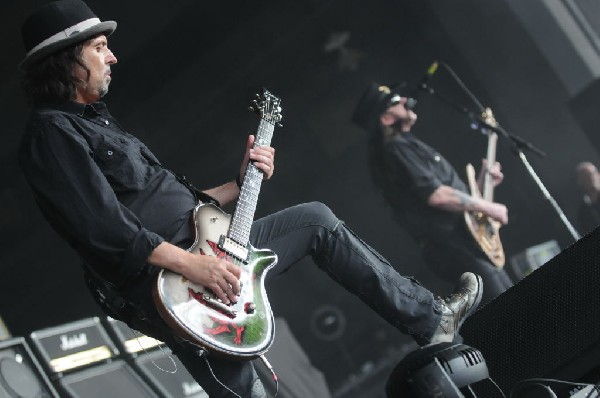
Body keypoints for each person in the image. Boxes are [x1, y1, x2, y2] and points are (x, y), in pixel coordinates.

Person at [18, 2, 483, 397]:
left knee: (315, 220)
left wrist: (238, 184)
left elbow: (176, 201)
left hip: (209, 249)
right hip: (171, 283)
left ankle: (431, 319)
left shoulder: (98, 121)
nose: (113, 57)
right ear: (65, 59)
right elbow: (103, 228)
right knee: (245, 384)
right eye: (99, 48)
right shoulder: (51, 133)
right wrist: (191, 264)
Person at [353, 82, 513, 305]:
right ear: (386, 119)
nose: (404, 101)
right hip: (450, 244)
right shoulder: (396, 150)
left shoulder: (409, 145)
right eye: (395, 102)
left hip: (464, 239)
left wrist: (483, 182)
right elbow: (435, 196)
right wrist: (489, 207)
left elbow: (452, 196)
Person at [575, 161, 600, 235]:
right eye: (586, 176)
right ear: (580, 181)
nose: (591, 178)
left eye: (592, 174)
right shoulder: (583, 213)